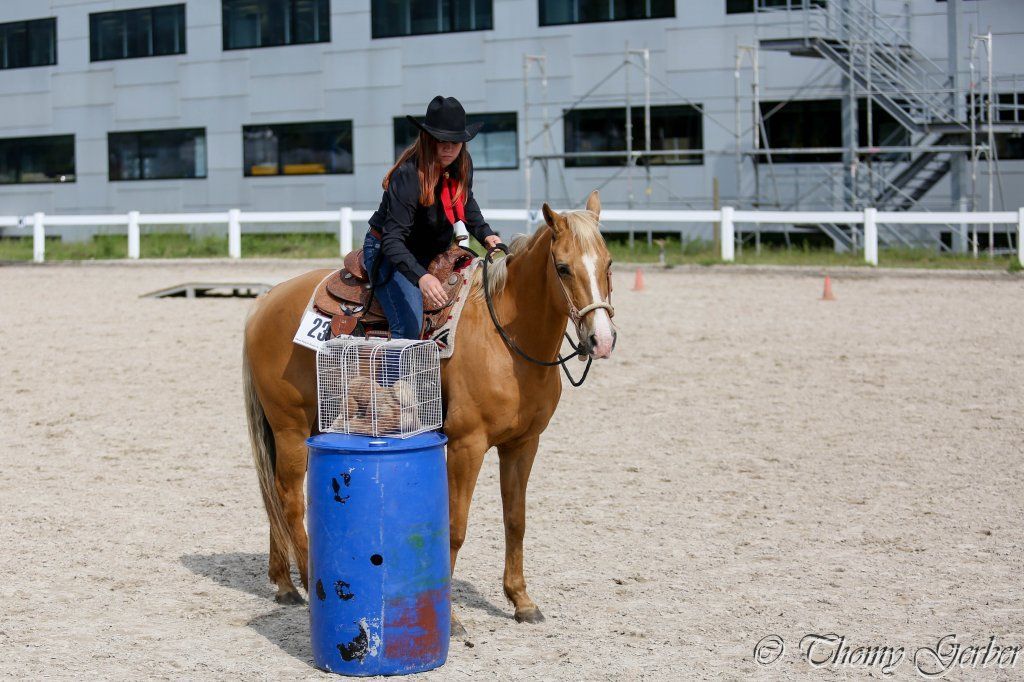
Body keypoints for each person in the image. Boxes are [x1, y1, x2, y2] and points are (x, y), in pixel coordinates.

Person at [364, 95, 502, 339]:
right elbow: (392, 240)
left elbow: (465, 203)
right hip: (390, 251)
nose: (448, 148)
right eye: (441, 140)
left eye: (455, 141)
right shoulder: (408, 175)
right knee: (408, 326)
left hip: (433, 250)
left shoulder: (462, 163)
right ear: (428, 139)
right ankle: (392, 378)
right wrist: (422, 277)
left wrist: (486, 234)